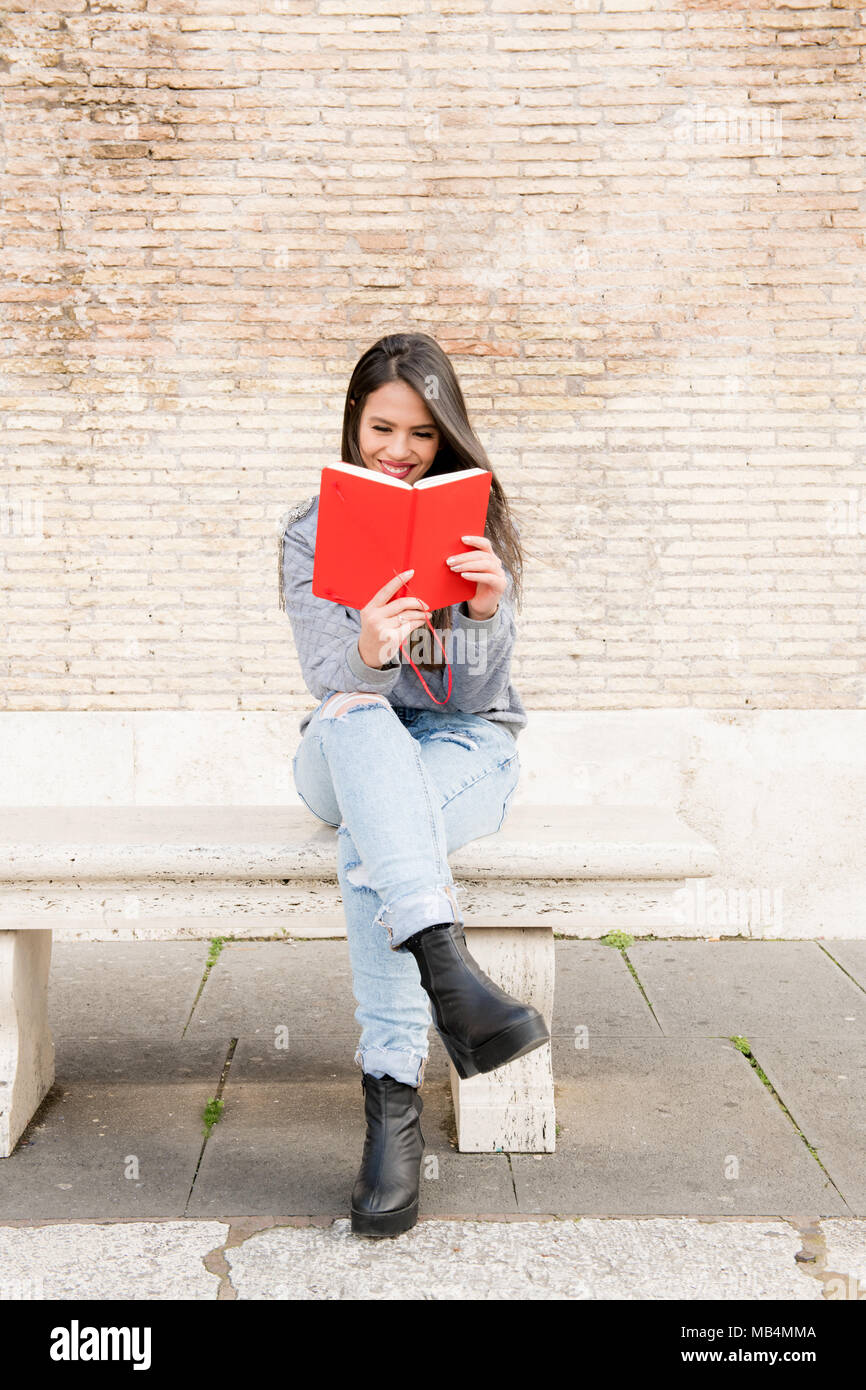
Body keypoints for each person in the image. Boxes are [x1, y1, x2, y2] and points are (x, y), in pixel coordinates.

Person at [279, 331, 549, 1238]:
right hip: (347, 738)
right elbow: (330, 683)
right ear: (353, 424)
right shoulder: (310, 530)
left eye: (422, 436)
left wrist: (482, 612)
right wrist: (367, 645)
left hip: (463, 747)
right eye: (381, 428)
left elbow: (476, 697)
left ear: (448, 440)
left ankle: (391, 1112)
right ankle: (452, 976)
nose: (397, 452)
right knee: (358, 719)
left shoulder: (478, 529)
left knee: (376, 840)